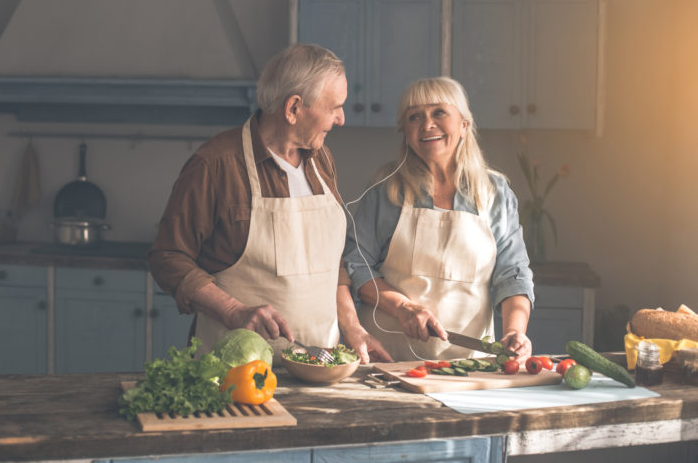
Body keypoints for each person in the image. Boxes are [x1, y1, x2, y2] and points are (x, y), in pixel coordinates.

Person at [148, 44, 391, 364]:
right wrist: (233, 311)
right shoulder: (216, 164)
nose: (341, 119)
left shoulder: (322, 160)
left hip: (320, 365)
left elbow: (331, 265)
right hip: (237, 370)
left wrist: (353, 327)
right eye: (334, 107)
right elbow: (168, 257)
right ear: (293, 108)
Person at [342, 76, 534, 362]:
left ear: (464, 125)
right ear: (405, 131)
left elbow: (513, 273)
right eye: (414, 117)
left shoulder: (495, 192)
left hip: (470, 359)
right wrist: (403, 308)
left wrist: (515, 331)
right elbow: (357, 266)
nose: (427, 124)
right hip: (390, 358)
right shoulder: (385, 190)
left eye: (439, 113)